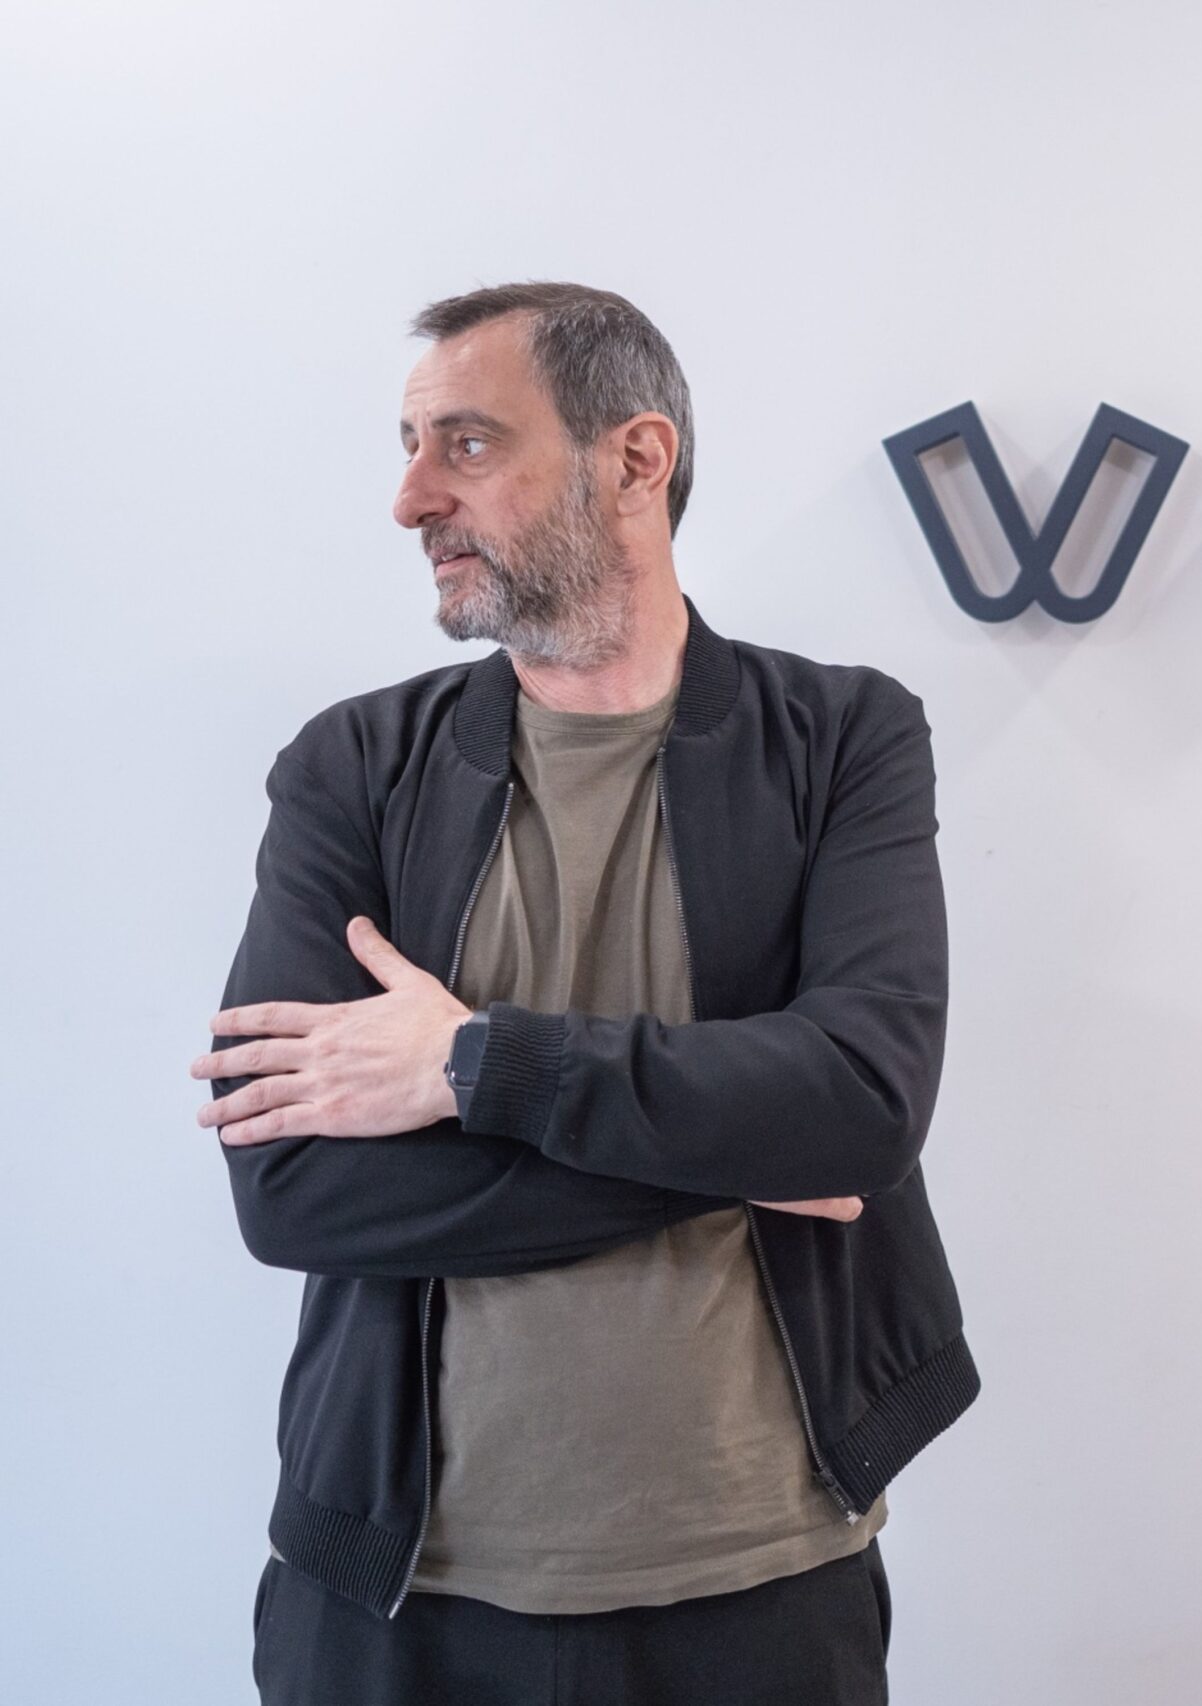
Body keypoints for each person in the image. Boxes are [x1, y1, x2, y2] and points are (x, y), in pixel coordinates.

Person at [189, 281, 979, 1705]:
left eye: (467, 443)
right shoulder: (352, 769)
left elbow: (861, 1104)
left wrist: (470, 1066)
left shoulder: (842, 738)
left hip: (762, 1588)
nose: (412, 499)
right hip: (397, 1600)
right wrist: (739, 1154)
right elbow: (292, 1190)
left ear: (636, 459)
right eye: (410, 447)